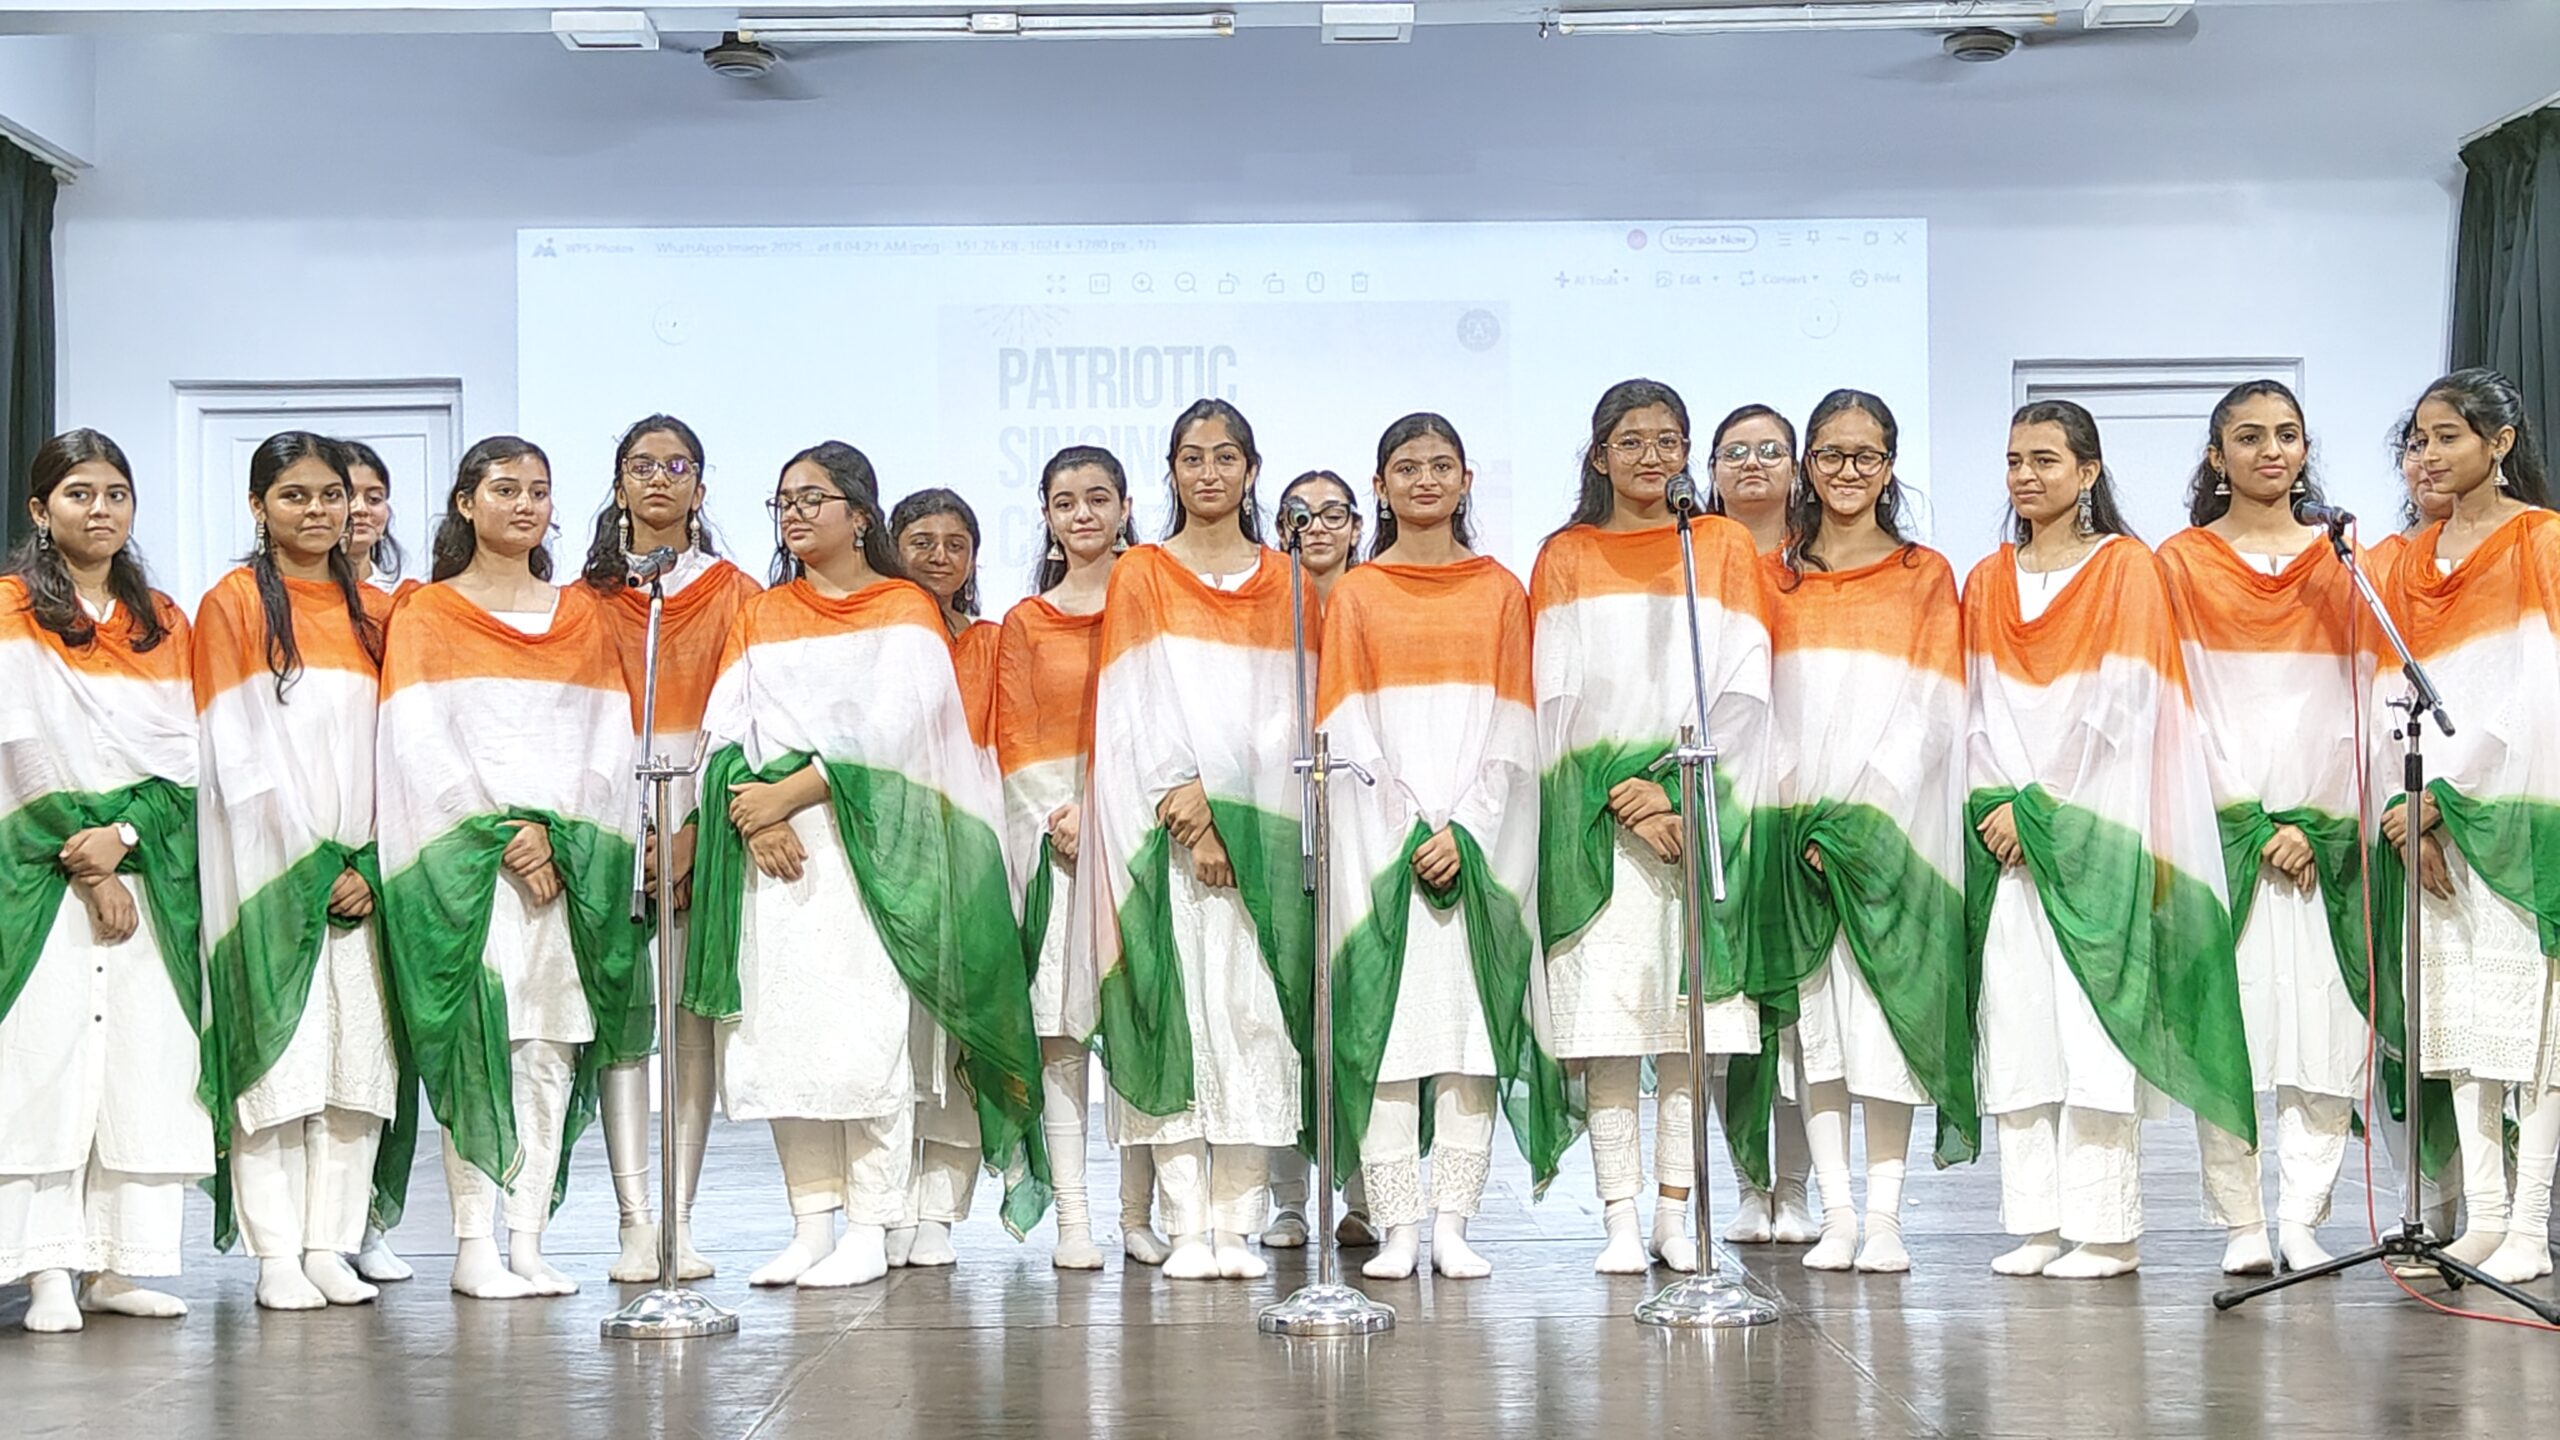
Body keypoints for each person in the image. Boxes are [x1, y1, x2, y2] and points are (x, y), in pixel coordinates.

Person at [684, 441, 1047, 1289]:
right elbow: (724, 732)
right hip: (775, 862)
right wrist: (751, 814)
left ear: (859, 515)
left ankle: (873, 1223)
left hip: (874, 860)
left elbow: (899, 738)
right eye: (783, 500)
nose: (795, 513)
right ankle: (811, 1224)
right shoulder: (762, 613)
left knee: (866, 1041)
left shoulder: (903, 610)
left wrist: (791, 792)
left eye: (813, 497)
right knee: (785, 1041)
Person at [1964, 399, 2252, 1281]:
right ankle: (2037, 1223)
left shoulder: (2125, 567)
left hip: (2096, 833)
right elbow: (1973, 709)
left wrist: (2043, 808)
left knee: (2092, 1029)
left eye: (2046, 460)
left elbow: (2124, 703)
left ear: (2087, 472)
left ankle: (2107, 1231)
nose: (2026, 476)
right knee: (2019, 1025)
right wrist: (2001, 806)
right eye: (2014, 460)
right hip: (2008, 838)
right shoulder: (1987, 579)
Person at [374, 436, 652, 1299]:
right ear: (466, 503)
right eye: (504, 489)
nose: (524, 504)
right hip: (469, 871)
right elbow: (418, 740)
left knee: (549, 1048)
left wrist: (556, 836)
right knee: (479, 1045)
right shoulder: (427, 614)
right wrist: (501, 834)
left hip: (562, 871)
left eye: (538, 490)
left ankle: (527, 1240)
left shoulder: (582, 615)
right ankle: (473, 1244)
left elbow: (608, 743)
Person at [1322, 413, 1576, 1281]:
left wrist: (1466, 828)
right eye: (1406, 467)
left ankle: (1453, 1223)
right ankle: (1395, 1225)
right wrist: (1406, 831)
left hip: (1480, 849)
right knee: (1387, 1033)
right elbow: (1346, 727)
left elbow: (1514, 725)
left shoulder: (1501, 591)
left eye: (1440, 466)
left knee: (1471, 1038)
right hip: (1380, 850)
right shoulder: (1356, 595)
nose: (1424, 480)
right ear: (1380, 485)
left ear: (1467, 479)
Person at [1533, 378, 1772, 1274]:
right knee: (1608, 1033)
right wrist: (1621, 794)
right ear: (1599, 455)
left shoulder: (1718, 546)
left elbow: (1745, 689)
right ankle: (1620, 1218)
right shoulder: (1565, 555)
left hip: (1696, 819)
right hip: (1598, 826)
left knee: (1684, 1036)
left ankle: (1676, 1212)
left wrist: (1676, 795)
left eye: (1668, 441)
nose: (1650, 457)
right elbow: (1553, 703)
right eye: (1630, 441)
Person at [1082, 399, 1315, 1282]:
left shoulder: (1288, 581)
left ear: (1251, 470)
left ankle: (1236, 1226)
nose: (1208, 472)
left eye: (1225, 457)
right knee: (1171, 1016)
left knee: (1255, 1022)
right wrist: (1188, 803)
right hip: (1163, 841)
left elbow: (1291, 711)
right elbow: (1134, 704)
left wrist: (1232, 813)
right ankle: (1185, 1226)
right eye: (1191, 457)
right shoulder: (1141, 573)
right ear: (1171, 471)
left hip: (1262, 839)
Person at [2152, 381, 2381, 1276]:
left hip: (2322, 838)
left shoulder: (2345, 559)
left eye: (2287, 434)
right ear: (2217, 456)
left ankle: (2304, 1214)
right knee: (2231, 1026)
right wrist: (2245, 814)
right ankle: (2242, 1219)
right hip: (2222, 834)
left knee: (2324, 1029)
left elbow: (2365, 701)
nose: (2271, 451)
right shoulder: (2178, 564)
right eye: (2248, 437)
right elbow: (2173, 704)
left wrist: (2314, 821)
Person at [1758, 390, 1978, 1274]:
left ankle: (1884, 1216)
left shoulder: (1926, 575)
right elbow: (1755, 702)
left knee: (1888, 1023)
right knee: (1813, 1028)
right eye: (1831, 454)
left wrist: (1864, 815)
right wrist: (1799, 807)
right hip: (1795, 835)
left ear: (1889, 467)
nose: (1848, 471)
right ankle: (1838, 1213)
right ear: (1808, 464)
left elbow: (1935, 705)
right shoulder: (1772, 575)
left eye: (1867, 455)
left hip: (1893, 839)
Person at [0, 429, 210, 1334]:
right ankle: (45, 1267)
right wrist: (88, 865)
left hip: (146, 865)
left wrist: (124, 839)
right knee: (42, 1058)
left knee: (141, 1059)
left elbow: (186, 759)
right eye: (79, 493)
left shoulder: (160, 619)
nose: (100, 510)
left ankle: (121, 1265)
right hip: (38, 871)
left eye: (115, 493)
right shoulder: (12, 610)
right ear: (41, 510)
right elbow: (18, 750)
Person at [197, 432, 401, 1312]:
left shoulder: (375, 612)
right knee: (275, 1063)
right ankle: (276, 1252)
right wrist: (310, 863)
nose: (318, 511)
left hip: (363, 871)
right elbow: (233, 751)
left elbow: (397, 747)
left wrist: (371, 862)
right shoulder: (233, 603)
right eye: (294, 495)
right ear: (258, 506)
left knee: (358, 1064)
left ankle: (330, 1245)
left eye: (331, 495)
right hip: (266, 873)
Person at [2376, 367, 2560, 1285]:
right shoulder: (2406, 559)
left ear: (2501, 442)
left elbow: (2541, 686)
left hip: (2518, 817)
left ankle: (2530, 1221)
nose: (2429, 453)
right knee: (2458, 1021)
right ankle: (2483, 1215)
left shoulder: (2542, 540)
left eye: (2448, 435)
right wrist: (2407, 809)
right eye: (2419, 438)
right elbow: (2387, 690)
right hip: (2429, 827)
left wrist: (2453, 794)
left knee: (2536, 1027)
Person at [578, 414, 758, 1284]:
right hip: (608, 821)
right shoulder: (585, 601)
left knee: (691, 1027)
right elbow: (574, 721)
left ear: (701, 486)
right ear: (618, 484)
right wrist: (628, 829)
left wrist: (689, 834)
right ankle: (632, 1221)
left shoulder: (736, 593)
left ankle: (679, 1222)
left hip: (700, 820)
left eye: (677, 465)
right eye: (642, 465)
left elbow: (746, 719)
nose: (659, 478)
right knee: (622, 1018)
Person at [999, 445, 1137, 1270]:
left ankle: (1140, 1213)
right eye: (1065, 502)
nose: (1082, 514)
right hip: (1056, 846)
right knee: (1061, 1038)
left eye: (1097, 498)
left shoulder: (1153, 604)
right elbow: (1014, 735)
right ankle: (1075, 1221)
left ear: (1125, 508)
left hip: (1137, 842)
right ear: (1048, 517)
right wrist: (1061, 818)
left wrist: (1111, 814)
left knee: (1141, 1020)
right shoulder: (1026, 621)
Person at [886, 485, 1004, 1266]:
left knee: (962, 1036)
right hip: (888, 855)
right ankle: (887, 1200)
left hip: (972, 854)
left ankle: (940, 1211)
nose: (938, 556)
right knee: (892, 1037)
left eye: (955, 544)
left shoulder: (989, 641)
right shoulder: (872, 636)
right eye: (921, 541)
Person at [1263, 467, 1372, 1250]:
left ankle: (1366, 1194)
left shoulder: (1378, 600)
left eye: (1336, 513)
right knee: (1281, 1013)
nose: (1320, 528)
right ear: (1281, 530)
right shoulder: (1265, 608)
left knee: (1363, 1012)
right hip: (1279, 824)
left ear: (1359, 526)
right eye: (1302, 515)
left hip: (1366, 824)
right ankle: (1289, 1200)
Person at [328, 435, 417, 1283]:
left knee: (387, 1040)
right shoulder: (274, 605)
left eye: (374, 495)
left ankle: (371, 1217)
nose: (359, 509)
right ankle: (304, 1229)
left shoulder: (410, 609)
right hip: (312, 844)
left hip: (393, 848)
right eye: (342, 493)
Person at [1705, 403, 1796, 559]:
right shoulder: (1688, 552)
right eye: (1734, 453)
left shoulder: (1820, 553)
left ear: (1794, 470)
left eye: (1770, 451)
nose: (1751, 463)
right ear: (1713, 471)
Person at [339, 439, 417, 604]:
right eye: (347, 496)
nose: (361, 509)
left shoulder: (404, 598)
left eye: (374, 499)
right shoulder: (293, 595)